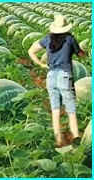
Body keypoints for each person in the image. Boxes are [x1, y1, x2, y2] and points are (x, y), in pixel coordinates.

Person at [28, 15, 86, 148]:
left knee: (55, 109)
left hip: (51, 76)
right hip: (64, 76)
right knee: (71, 110)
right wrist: (86, 53)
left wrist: (41, 64)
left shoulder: (47, 38)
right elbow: (80, 54)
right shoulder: (70, 38)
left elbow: (31, 51)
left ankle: (58, 139)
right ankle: (76, 139)